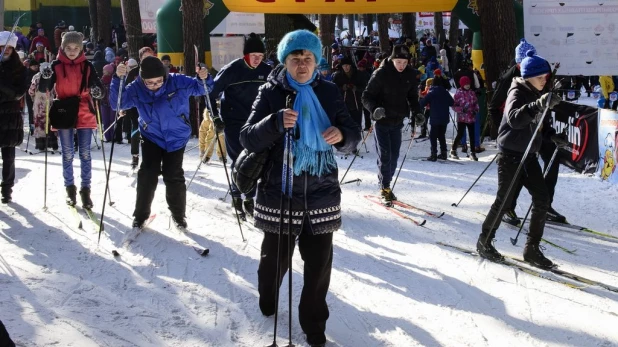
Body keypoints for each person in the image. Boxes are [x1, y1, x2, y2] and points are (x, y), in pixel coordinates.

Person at [239, 29, 360, 347]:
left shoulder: (330, 92)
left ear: (317, 60)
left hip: (321, 195)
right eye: (296, 58)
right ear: (285, 61)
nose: (303, 64)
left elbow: (352, 131)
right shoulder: (271, 92)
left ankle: (314, 326)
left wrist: (342, 135)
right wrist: (275, 122)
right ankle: (267, 295)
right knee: (273, 262)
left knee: (319, 267)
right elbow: (247, 137)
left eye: (308, 58)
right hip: (280, 192)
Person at [477, 50, 564, 269]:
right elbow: (516, 119)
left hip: (528, 155)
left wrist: (552, 136)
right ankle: (484, 241)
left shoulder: (536, 92)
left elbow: (537, 125)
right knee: (504, 200)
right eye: (540, 77)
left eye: (546, 76)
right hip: (510, 155)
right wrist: (538, 104)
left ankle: (532, 249)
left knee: (542, 199)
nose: (545, 80)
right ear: (528, 77)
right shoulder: (517, 91)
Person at [110, 56, 210, 229]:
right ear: (142, 79)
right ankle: (140, 215)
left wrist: (204, 77)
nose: (155, 85)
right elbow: (117, 103)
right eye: (149, 82)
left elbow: (201, 89)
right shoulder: (136, 88)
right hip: (152, 135)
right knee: (148, 174)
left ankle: (179, 215)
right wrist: (117, 79)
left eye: (158, 81)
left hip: (176, 137)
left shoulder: (177, 81)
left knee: (173, 175)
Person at [209, 32, 272, 219]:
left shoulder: (267, 71)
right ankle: (237, 197)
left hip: (257, 122)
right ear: (246, 55)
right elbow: (210, 93)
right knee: (238, 160)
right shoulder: (232, 70)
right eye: (254, 56)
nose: (257, 60)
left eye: (260, 57)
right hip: (234, 121)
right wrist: (216, 117)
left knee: (255, 160)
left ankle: (249, 199)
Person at [39, 31, 103, 208]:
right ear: (63, 47)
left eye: (76, 48)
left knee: (85, 153)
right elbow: (44, 87)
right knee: (67, 153)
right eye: (69, 48)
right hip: (64, 109)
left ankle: (85, 191)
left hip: (83, 109)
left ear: (81, 48)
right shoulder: (56, 65)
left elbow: (98, 86)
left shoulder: (88, 66)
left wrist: (98, 91)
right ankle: (70, 189)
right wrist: (45, 76)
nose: (72, 51)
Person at [362, 44, 423, 205]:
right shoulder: (381, 74)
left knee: (394, 156)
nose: (401, 66)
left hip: (397, 121)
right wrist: (374, 110)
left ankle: (387, 183)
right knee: (385, 155)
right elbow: (366, 96)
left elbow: (412, 98)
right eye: (398, 62)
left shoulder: (410, 74)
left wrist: (417, 112)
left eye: (404, 62)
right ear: (392, 59)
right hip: (382, 121)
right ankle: (385, 187)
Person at [0, 31, 29, 204]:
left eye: (8, 47)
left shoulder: (20, 69)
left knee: (8, 156)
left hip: (10, 116)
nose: (6, 50)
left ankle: (6, 188)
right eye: (2, 47)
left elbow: (18, 93)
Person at [123, 48, 155, 170]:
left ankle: (153, 158)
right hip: (136, 107)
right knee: (136, 130)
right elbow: (127, 90)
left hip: (152, 107)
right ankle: (135, 155)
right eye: (145, 57)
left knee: (153, 132)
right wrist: (123, 106)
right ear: (140, 59)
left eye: (150, 56)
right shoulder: (134, 72)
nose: (148, 59)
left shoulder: (158, 69)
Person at [419, 77, 454, 161]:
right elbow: (452, 102)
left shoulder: (432, 92)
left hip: (435, 117)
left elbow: (423, 102)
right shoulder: (445, 92)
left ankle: (433, 153)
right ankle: (444, 152)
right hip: (444, 117)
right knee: (441, 135)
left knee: (433, 136)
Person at [332, 57, 366, 129]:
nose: (346, 67)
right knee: (345, 126)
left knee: (357, 125)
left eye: (347, 65)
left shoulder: (359, 74)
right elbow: (334, 89)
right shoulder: (338, 76)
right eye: (344, 66)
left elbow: (365, 87)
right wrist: (343, 88)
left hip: (356, 104)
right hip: (344, 104)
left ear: (351, 65)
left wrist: (356, 88)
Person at [451, 76, 479, 161]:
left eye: (468, 84)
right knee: (460, 134)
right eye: (466, 84)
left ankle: (473, 153)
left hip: (471, 117)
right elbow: (454, 106)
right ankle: (453, 150)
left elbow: (475, 103)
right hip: (462, 118)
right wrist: (461, 109)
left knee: (472, 135)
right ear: (462, 84)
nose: (467, 86)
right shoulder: (458, 93)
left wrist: (476, 110)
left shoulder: (472, 93)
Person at [99, 63, 115, 142]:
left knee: (112, 120)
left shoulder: (113, 80)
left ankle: (112, 136)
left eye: (104, 70)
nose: (103, 72)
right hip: (104, 102)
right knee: (105, 121)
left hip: (112, 103)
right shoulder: (101, 80)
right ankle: (107, 136)